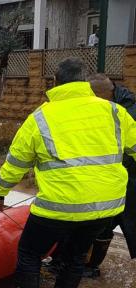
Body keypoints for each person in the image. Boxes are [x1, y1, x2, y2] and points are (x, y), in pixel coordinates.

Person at [0, 57, 136, 288]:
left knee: (30, 255)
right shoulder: (114, 112)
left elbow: (16, 162)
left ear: (55, 83)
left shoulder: (41, 117)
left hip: (58, 208)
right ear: (84, 83)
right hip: (103, 208)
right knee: (76, 258)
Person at [49, 73, 136, 277]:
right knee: (102, 223)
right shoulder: (115, 104)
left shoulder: (124, 113)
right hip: (110, 178)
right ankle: (84, 265)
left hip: (123, 179)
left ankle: (87, 267)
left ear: (101, 95)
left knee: (105, 222)